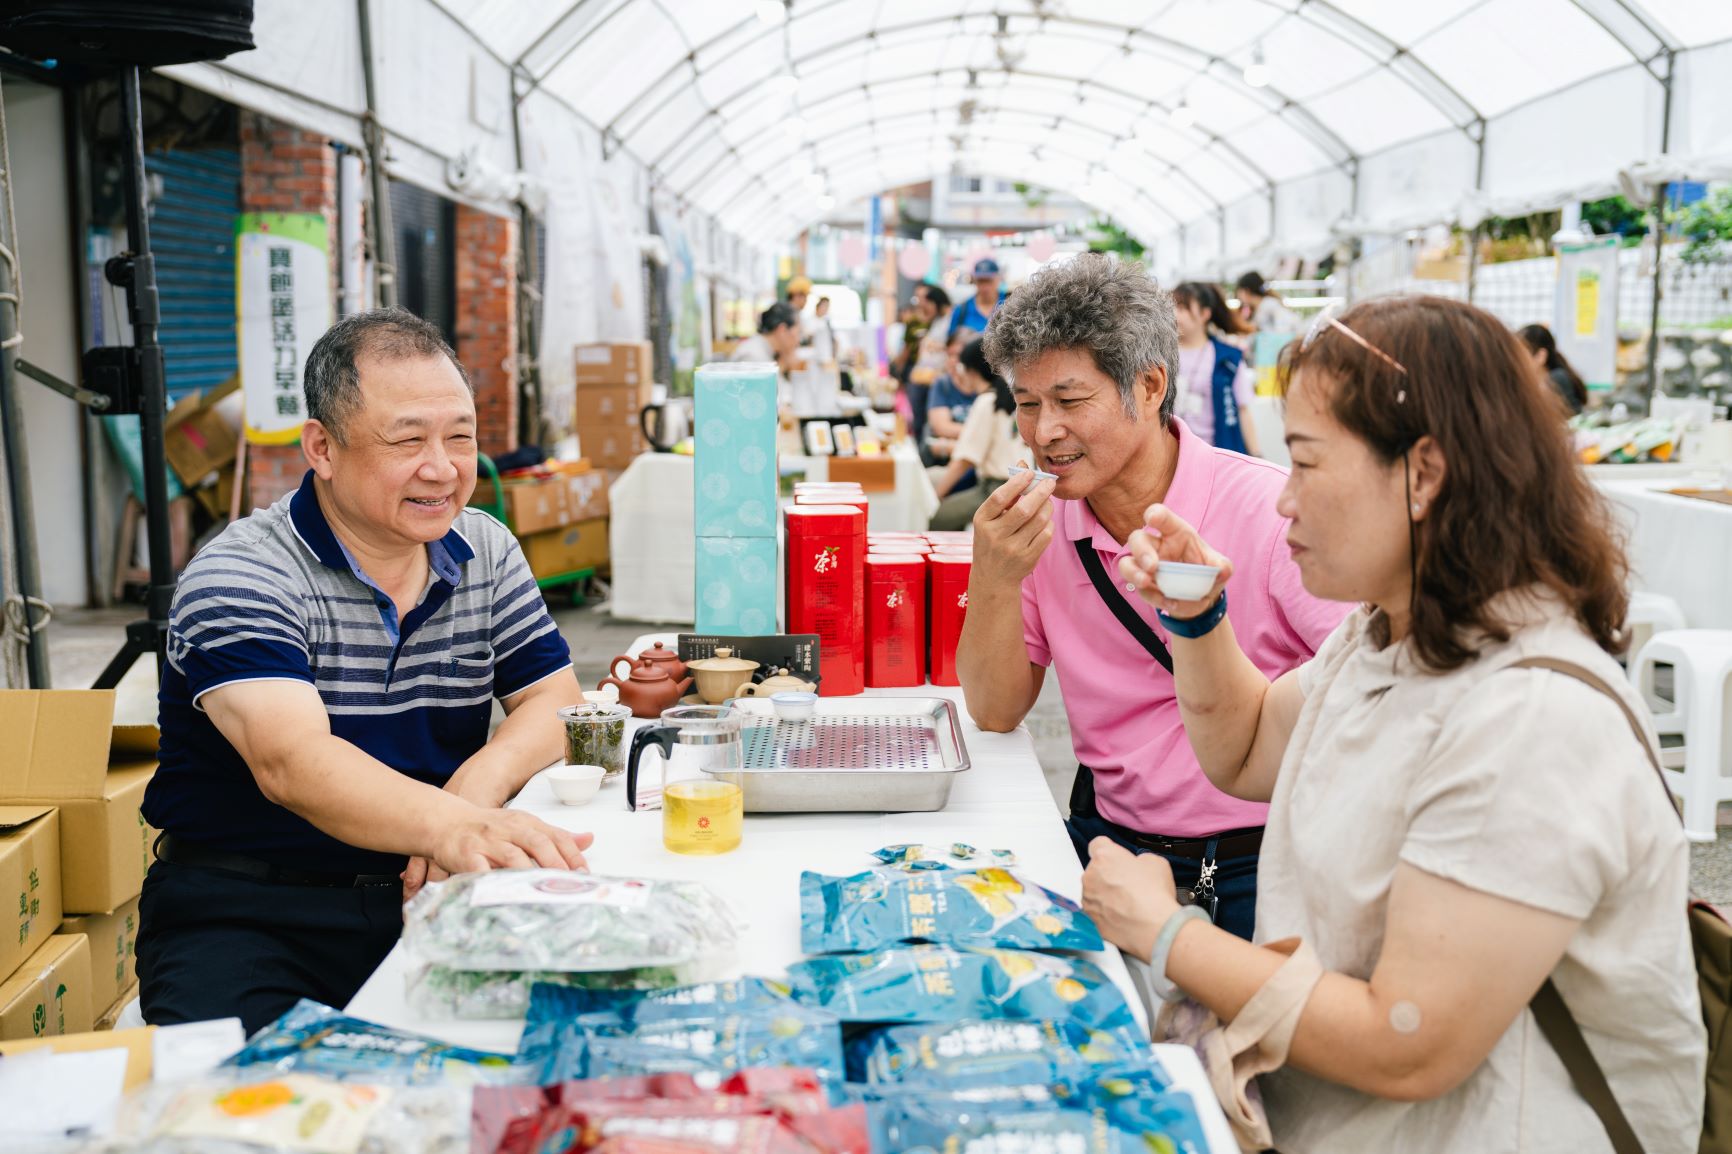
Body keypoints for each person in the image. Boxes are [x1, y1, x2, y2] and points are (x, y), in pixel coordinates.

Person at [1085, 295, 1705, 1152]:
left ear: (1423, 473)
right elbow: (1249, 746)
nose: (1283, 503)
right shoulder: (1384, 634)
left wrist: (1166, 933)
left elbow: (1404, 1042)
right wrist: (1195, 620)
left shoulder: (1532, 719)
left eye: (1305, 464)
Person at [137, 309, 594, 1033]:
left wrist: (471, 793)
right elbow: (292, 761)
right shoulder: (242, 573)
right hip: (252, 915)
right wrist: (451, 826)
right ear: (321, 447)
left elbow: (554, 700)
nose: (442, 468)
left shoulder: (485, 547)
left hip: (433, 893)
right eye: (407, 440)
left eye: (460, 437)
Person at [960, 255, 1345, 941]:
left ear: (1149, 384)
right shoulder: (1035, 527)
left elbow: (1369, 684)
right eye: (1026, 403)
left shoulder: (1273, 509)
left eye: (1071, 402)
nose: (1044, 431)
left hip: (1264, 864)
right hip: (1109, 853)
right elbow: (993, 710)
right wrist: (991, 577)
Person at [930, 338, 1024, 530]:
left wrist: (936, 497)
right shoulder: (1007, 397)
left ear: (971, 371)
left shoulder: (986, 402)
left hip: (994, 488)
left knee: (939, 517)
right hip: (1017, 484)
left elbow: (965, 461)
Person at [1173, 282, 1261, 456]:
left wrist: (1257, 455)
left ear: (1205, 314)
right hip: (1171, 456)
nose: (1175, 314)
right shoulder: (1157, 355)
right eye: (1173, 307)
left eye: (1183, 308)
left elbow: (1242, 409)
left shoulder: (1227, 358)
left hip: (1215, 455)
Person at [1520, 322, 1589, 415]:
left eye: (1522, 355)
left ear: (1541, 356)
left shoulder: (1556, 378)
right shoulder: (1544, 379)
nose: (1517, 361)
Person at [730, 301, 800, 374]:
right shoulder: (753, 356)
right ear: (782, 330)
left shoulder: (763, 348)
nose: (798, 341)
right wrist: (784, 363)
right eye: (798, 333)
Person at [948, 257, 1007, 340]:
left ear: (998, 279)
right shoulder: (962, 309)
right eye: (980, 281)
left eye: (989, 280)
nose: (985, 287)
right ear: (975, 280)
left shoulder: (1010, 306)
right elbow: (950, 344)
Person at [1235, 271, 1300, 334]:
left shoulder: (1269, 304)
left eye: (1239, 292)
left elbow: (1284, 328)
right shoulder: (1259, 307)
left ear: (1247, 291)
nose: (1238, 296)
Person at [811, 296, 837, 366]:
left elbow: (833, 339)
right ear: (818, 306)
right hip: (816, 358)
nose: (826, 309)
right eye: (824, 306)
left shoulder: (827, 322)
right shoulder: (811, 321)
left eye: (827, 306)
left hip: (828, 357)